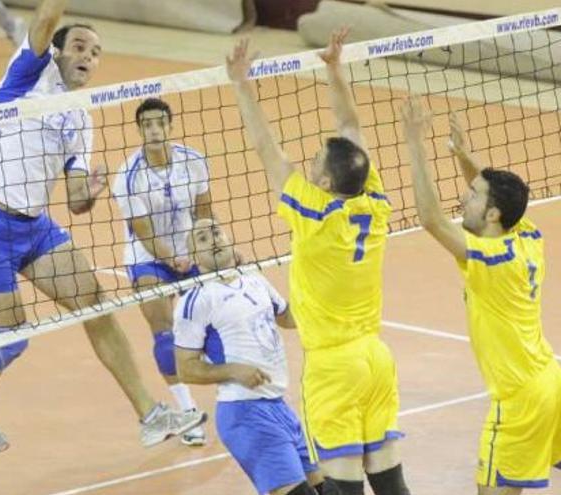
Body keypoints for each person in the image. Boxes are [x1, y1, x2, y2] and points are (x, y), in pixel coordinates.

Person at [0, 0, 205, 453]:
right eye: (79, 46)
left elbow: (76, 200)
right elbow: (46, 18)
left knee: (95, 303)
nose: (88, 56)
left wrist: (93, 189)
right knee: (11, 341)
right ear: (56, 52)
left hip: (35, 227)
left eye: (97, 51)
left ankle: (150, 413)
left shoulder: (81, 116)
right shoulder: (27, 76)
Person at [401, 98, 561, 494]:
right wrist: (463, 156)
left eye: (471, 196)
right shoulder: (526, 235)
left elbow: (430, 219)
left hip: (519, 399)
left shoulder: (489, 258)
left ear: (492, 215)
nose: (462, 200)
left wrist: (414, 141)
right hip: (549, 381)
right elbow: (495, 197)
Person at [226, 29, 411, 495]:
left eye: (314, 162)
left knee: (342, 488)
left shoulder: (316, 213)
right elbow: (354, 135)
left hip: (334, 367)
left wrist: (241, 85)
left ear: (326, 180)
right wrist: (333, 69)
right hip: (375, 358)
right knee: (390, 484)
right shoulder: (375, 201)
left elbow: (267, 152)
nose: (307, 164)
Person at [174, 218, 340, 495]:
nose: (213, 239)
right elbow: (186, 369)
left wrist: (323, 296)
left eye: (216, 232)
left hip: (279, 406)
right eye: (202, 239)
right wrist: (234, 370)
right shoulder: (195, 301)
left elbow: (286, 316)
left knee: (330, 490)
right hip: (244, 413)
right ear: (193, 256)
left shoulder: (253, 278)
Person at [112, 97, 211, 446]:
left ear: (170, 126)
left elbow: (205, 212)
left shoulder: (194, 161)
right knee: (164, 334)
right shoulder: (127, 176)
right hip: (148, 258)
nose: (154, 130)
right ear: (139, 130)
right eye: (147, 125)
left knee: (211, 324)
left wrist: (200, 251)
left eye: (160, 123)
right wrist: (172, 259)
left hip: (190, 251)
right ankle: (187, 414)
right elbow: (143, 231)